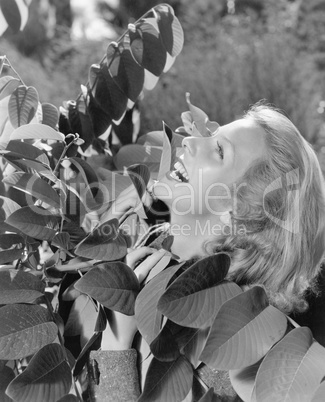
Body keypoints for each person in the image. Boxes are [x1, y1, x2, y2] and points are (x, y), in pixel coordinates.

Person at [86, 102, 325, 401]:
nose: (189, 140)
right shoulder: (144, 247)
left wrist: (115, 347)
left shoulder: (224, 361)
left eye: (219, 151)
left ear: (242, 211)